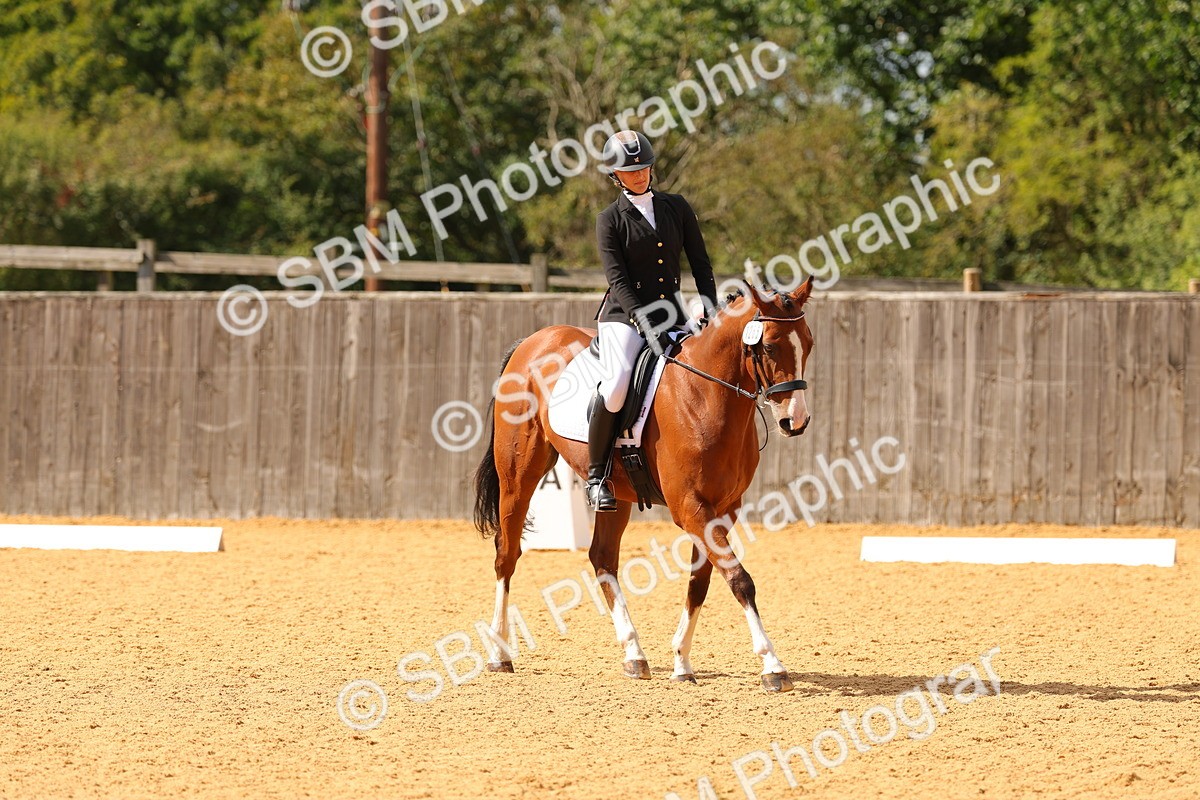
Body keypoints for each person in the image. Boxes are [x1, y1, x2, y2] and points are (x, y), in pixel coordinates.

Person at [586, 129, 718, 512]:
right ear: (615, 175)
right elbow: (618, 280)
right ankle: (597, 477)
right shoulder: (609, 219)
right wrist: (643, 323)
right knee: (614, 387)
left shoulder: (677, 206)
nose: (639, 175)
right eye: (630, 171)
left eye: (644, 167)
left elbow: (700, 263)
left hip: (673, 312)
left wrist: (708, 305)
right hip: (624, 318)